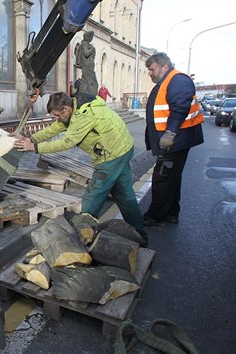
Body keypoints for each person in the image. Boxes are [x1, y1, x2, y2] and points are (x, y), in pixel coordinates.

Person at [13, 88, 146, 238]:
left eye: (58, 115)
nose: (57, 118)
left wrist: (34, 147)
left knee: (94, 194)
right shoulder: (72, 112)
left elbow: (66, 142)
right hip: (123, 149)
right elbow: (52, 130)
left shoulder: (84, 115)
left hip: (111, 155)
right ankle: (139, 231)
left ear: (66, 108)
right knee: (123, 193)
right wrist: (31, 139)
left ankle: (83, 234)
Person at [142, 52, 204, 226]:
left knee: (162, 177)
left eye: (152, 69)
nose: (150, 73)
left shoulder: (178, 81)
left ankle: (154, 215)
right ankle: (171, 213)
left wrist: (170, 134)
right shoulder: (167, 82)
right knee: (172, 177)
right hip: (173, 140)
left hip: (174, 141)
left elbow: (179, 108)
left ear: (164, 66)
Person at [75, 31, 98, 97]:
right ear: (87, 37)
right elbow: (86, 53)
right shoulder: (85, 44)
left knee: (85, 80)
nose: (92, 38)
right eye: (91, 37)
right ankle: (91, 95)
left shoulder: (85, 44)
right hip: (88, 65)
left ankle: (84, 94)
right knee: (92, 81)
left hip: (88, 65)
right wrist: (92, 49)